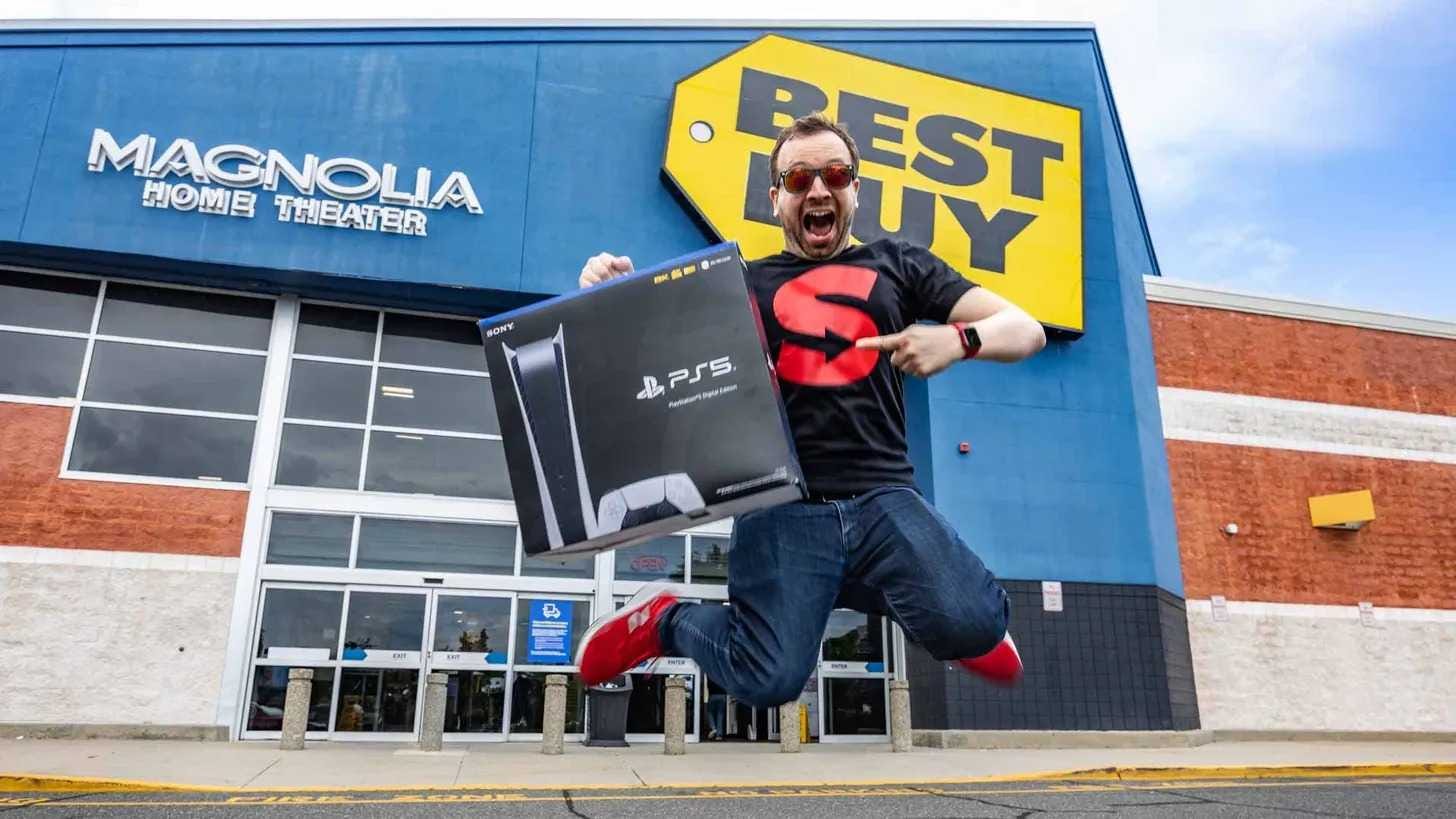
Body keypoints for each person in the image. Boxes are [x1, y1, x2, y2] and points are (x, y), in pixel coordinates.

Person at [573, 112, 1045, 708]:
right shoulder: (741, 284)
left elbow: (1025, 329)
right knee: (766, 681)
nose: (817, 189)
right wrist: (607, 292)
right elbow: (652, 363)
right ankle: (668, 617)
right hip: (784, 508)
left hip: (881, 497)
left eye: (833, 174)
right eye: (798, 180)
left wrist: (958, 340)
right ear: (776, 199)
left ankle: (911, 599)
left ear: (854, 190)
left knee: (972, 623)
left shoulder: (899, 264)